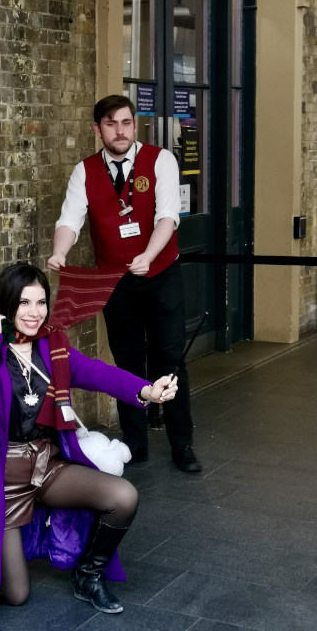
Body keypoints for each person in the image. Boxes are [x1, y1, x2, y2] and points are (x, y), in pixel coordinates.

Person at [0, 263, 176, 625]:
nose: (34, 313)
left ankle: (88, 575)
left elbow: (98, 372)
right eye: (23, 303)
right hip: (1, 482)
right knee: (15, 594)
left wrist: (146, 390)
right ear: (5, 306)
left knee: (123, 497)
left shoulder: (53, 347)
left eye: (40, 302)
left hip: (47, 466)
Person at [49, 94, 201, 473]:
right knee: (128, 361)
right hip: (115, 282)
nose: (120, 131)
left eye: (126, 122)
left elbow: (167, 216)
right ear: (97, 129)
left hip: (162, 274)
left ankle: (182, 443)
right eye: (111, 124)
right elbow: (70, 220)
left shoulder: (160, 159)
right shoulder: (85, 171)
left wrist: (148, 256)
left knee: (170, 359)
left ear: (135, 124)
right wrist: (59, 252)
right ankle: (135, 443)